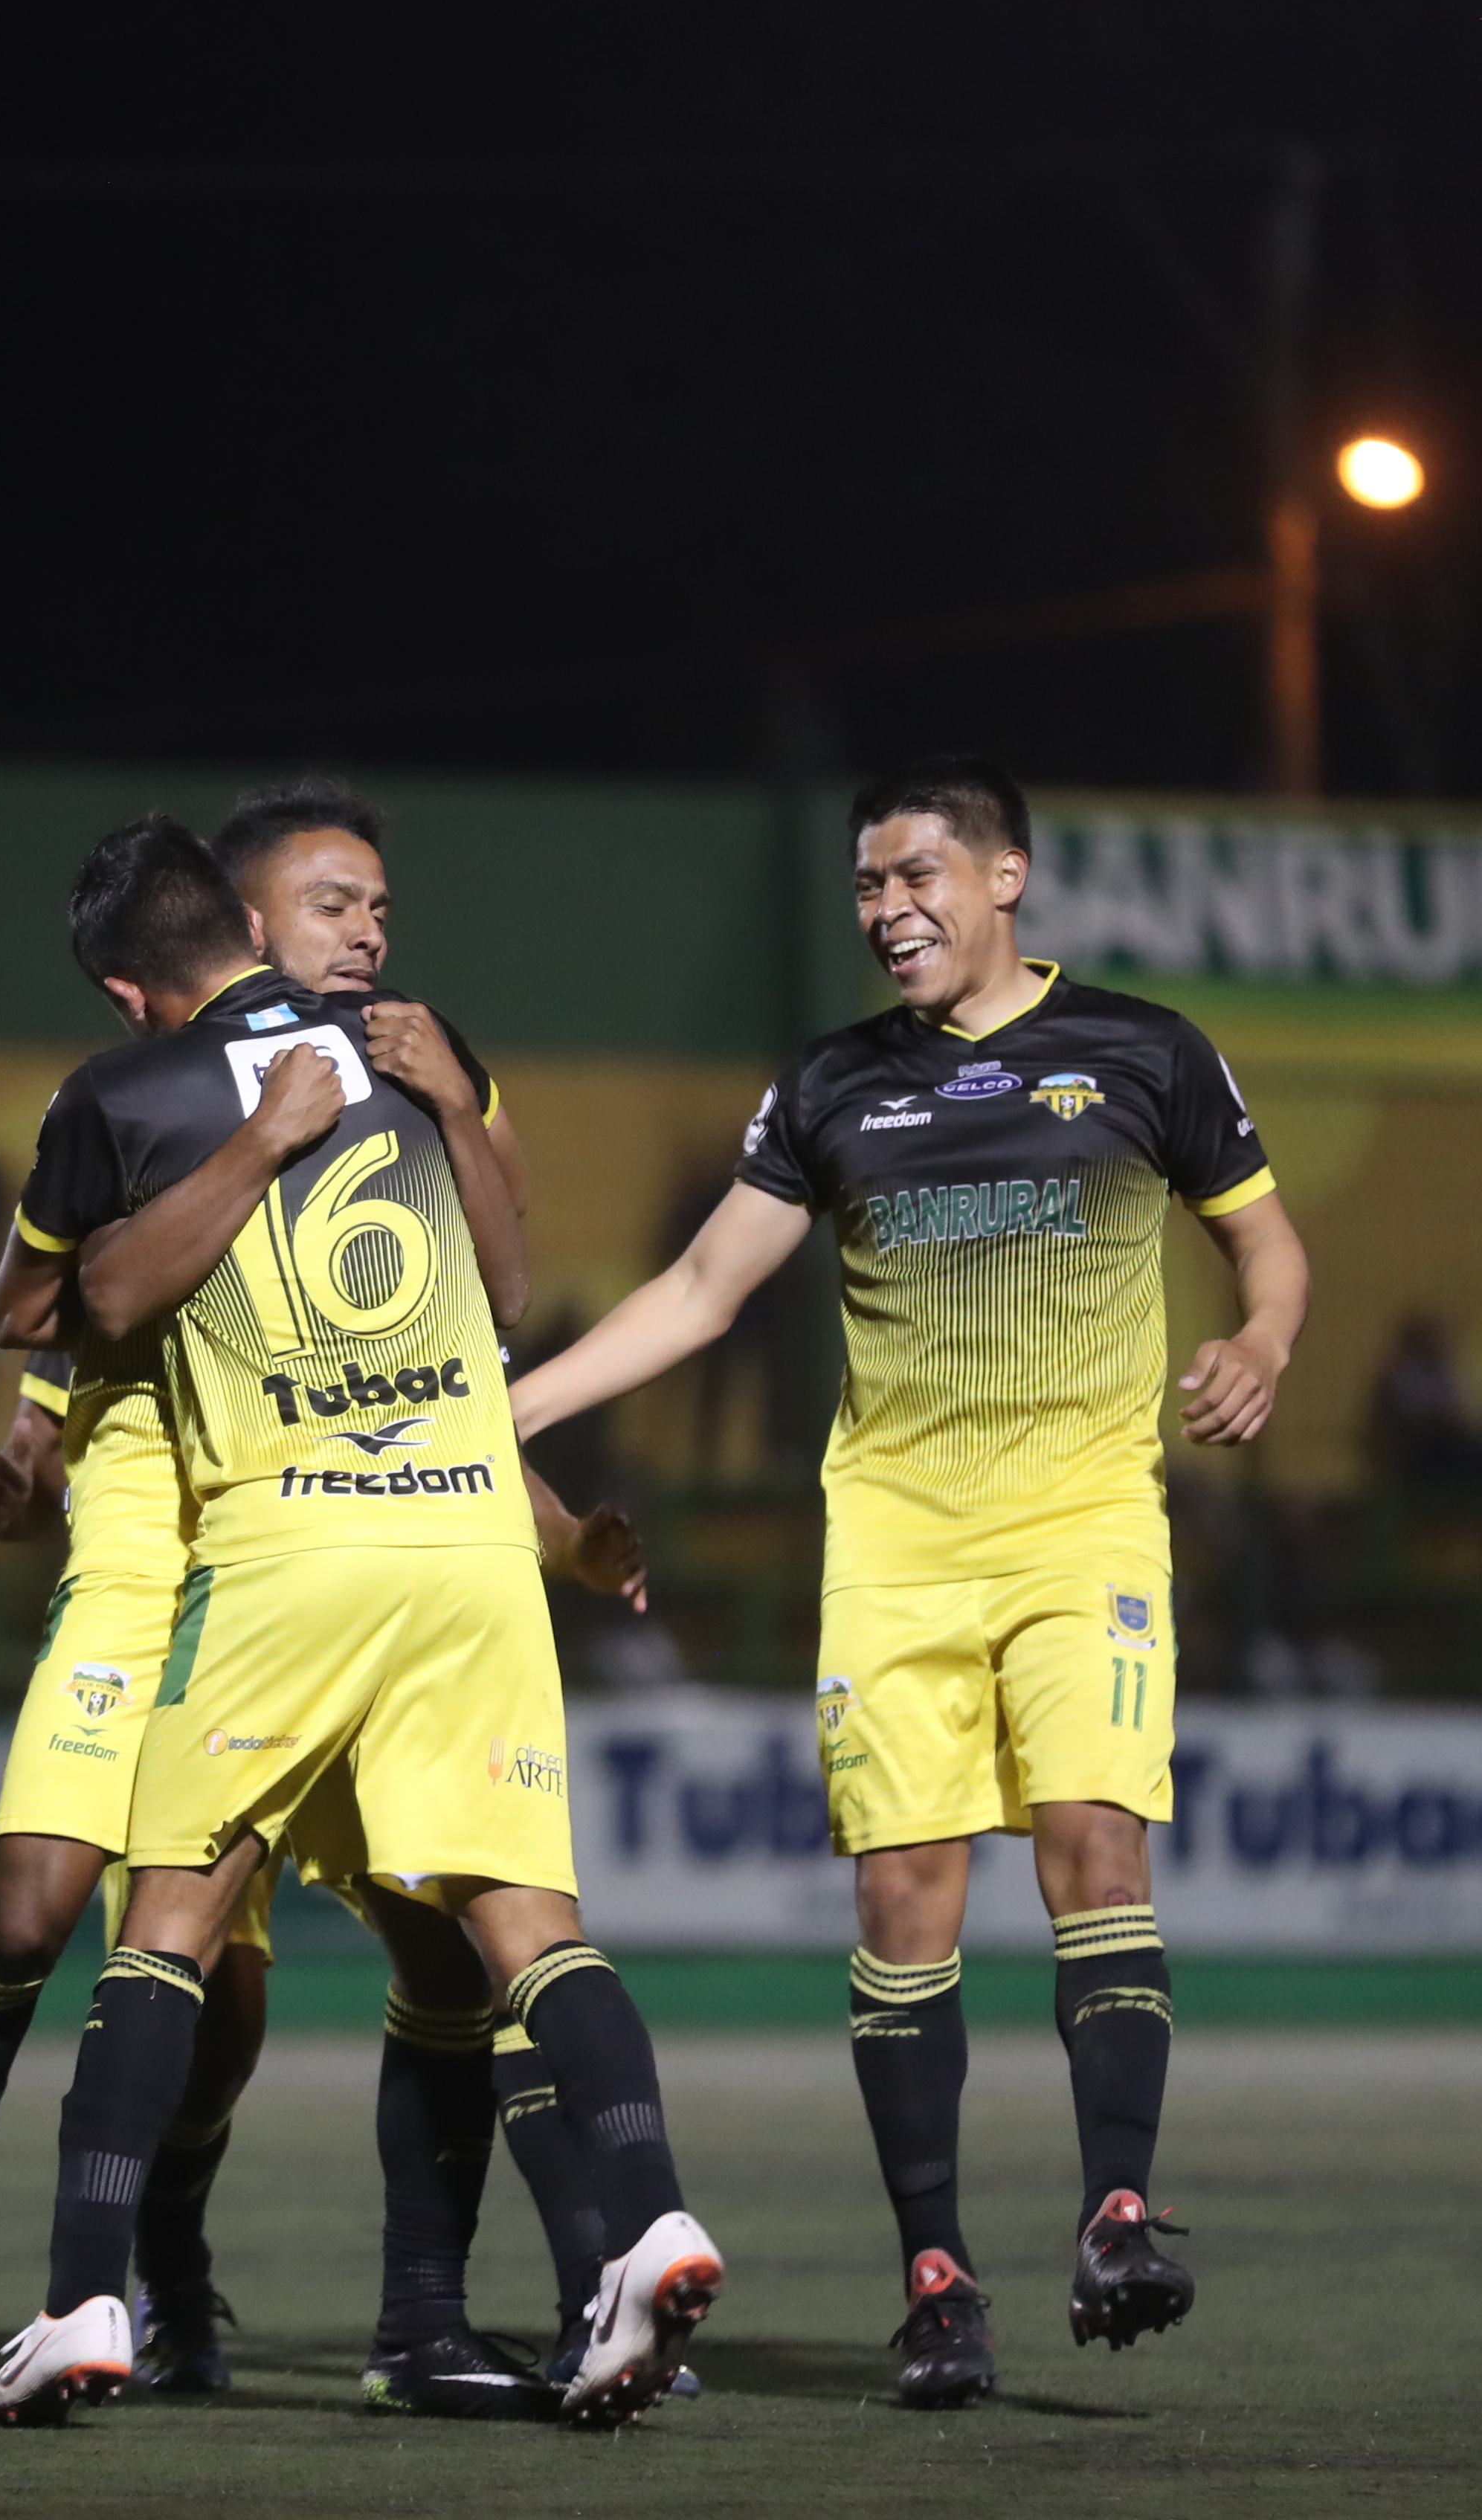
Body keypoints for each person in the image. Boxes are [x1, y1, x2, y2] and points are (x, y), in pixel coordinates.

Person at [507, 753, 1309, 2407]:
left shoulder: (1146, 1053)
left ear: (1007, 877)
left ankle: (1117, 2214)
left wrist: (1267, 1340)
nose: (888, 911)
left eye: (917, 877)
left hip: (1088, 1525)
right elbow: (702, 1288)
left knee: (1098, 1841)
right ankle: (937, 2281)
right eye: (869, 886)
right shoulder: (830, 1087)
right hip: (893, 1542)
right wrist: (516, 1404)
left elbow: (1268, 1241)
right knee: (902, 1900)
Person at [0, 781, 649, 2421]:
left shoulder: (407, 1072)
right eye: (332, 907)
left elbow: (457, 1356)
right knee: (105, 1948)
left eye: (381, 904)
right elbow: (59, 1333)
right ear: (246, 927)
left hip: (344, 1572)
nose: (369, 930)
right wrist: (23, 1465)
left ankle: (435, 2314)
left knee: (451, 1951)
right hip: (179, 1596)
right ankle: (45, 2248)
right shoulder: (143, 1117)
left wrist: (559, 1531)